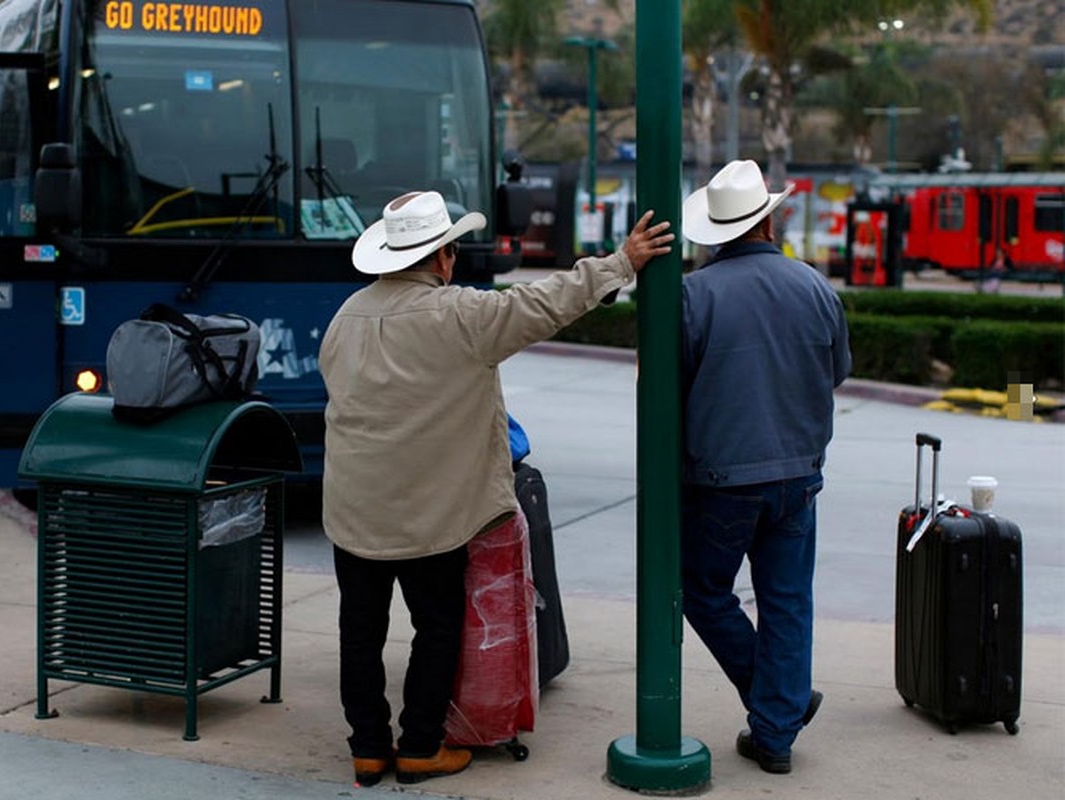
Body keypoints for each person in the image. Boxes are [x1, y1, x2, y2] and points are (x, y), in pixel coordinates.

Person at [319, 190, 673, 787]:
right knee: (436, 628)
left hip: (352, 512)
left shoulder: (346, 316)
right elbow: (544, 302)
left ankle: (368, 750)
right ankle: (420, 747)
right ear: (443, 258)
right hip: (432, 518)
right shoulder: (462, 315)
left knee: (360, 632)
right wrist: (620, 263)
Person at [678, 160, 852, 775]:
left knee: (699, 591)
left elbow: (670, 391)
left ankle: (780, 704)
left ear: (717, 230)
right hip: (799, 478)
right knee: (787, 602)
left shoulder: (694, 294)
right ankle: (776, 728)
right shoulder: (813, 287)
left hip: (720, 481)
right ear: (770, 219)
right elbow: (834, 372)